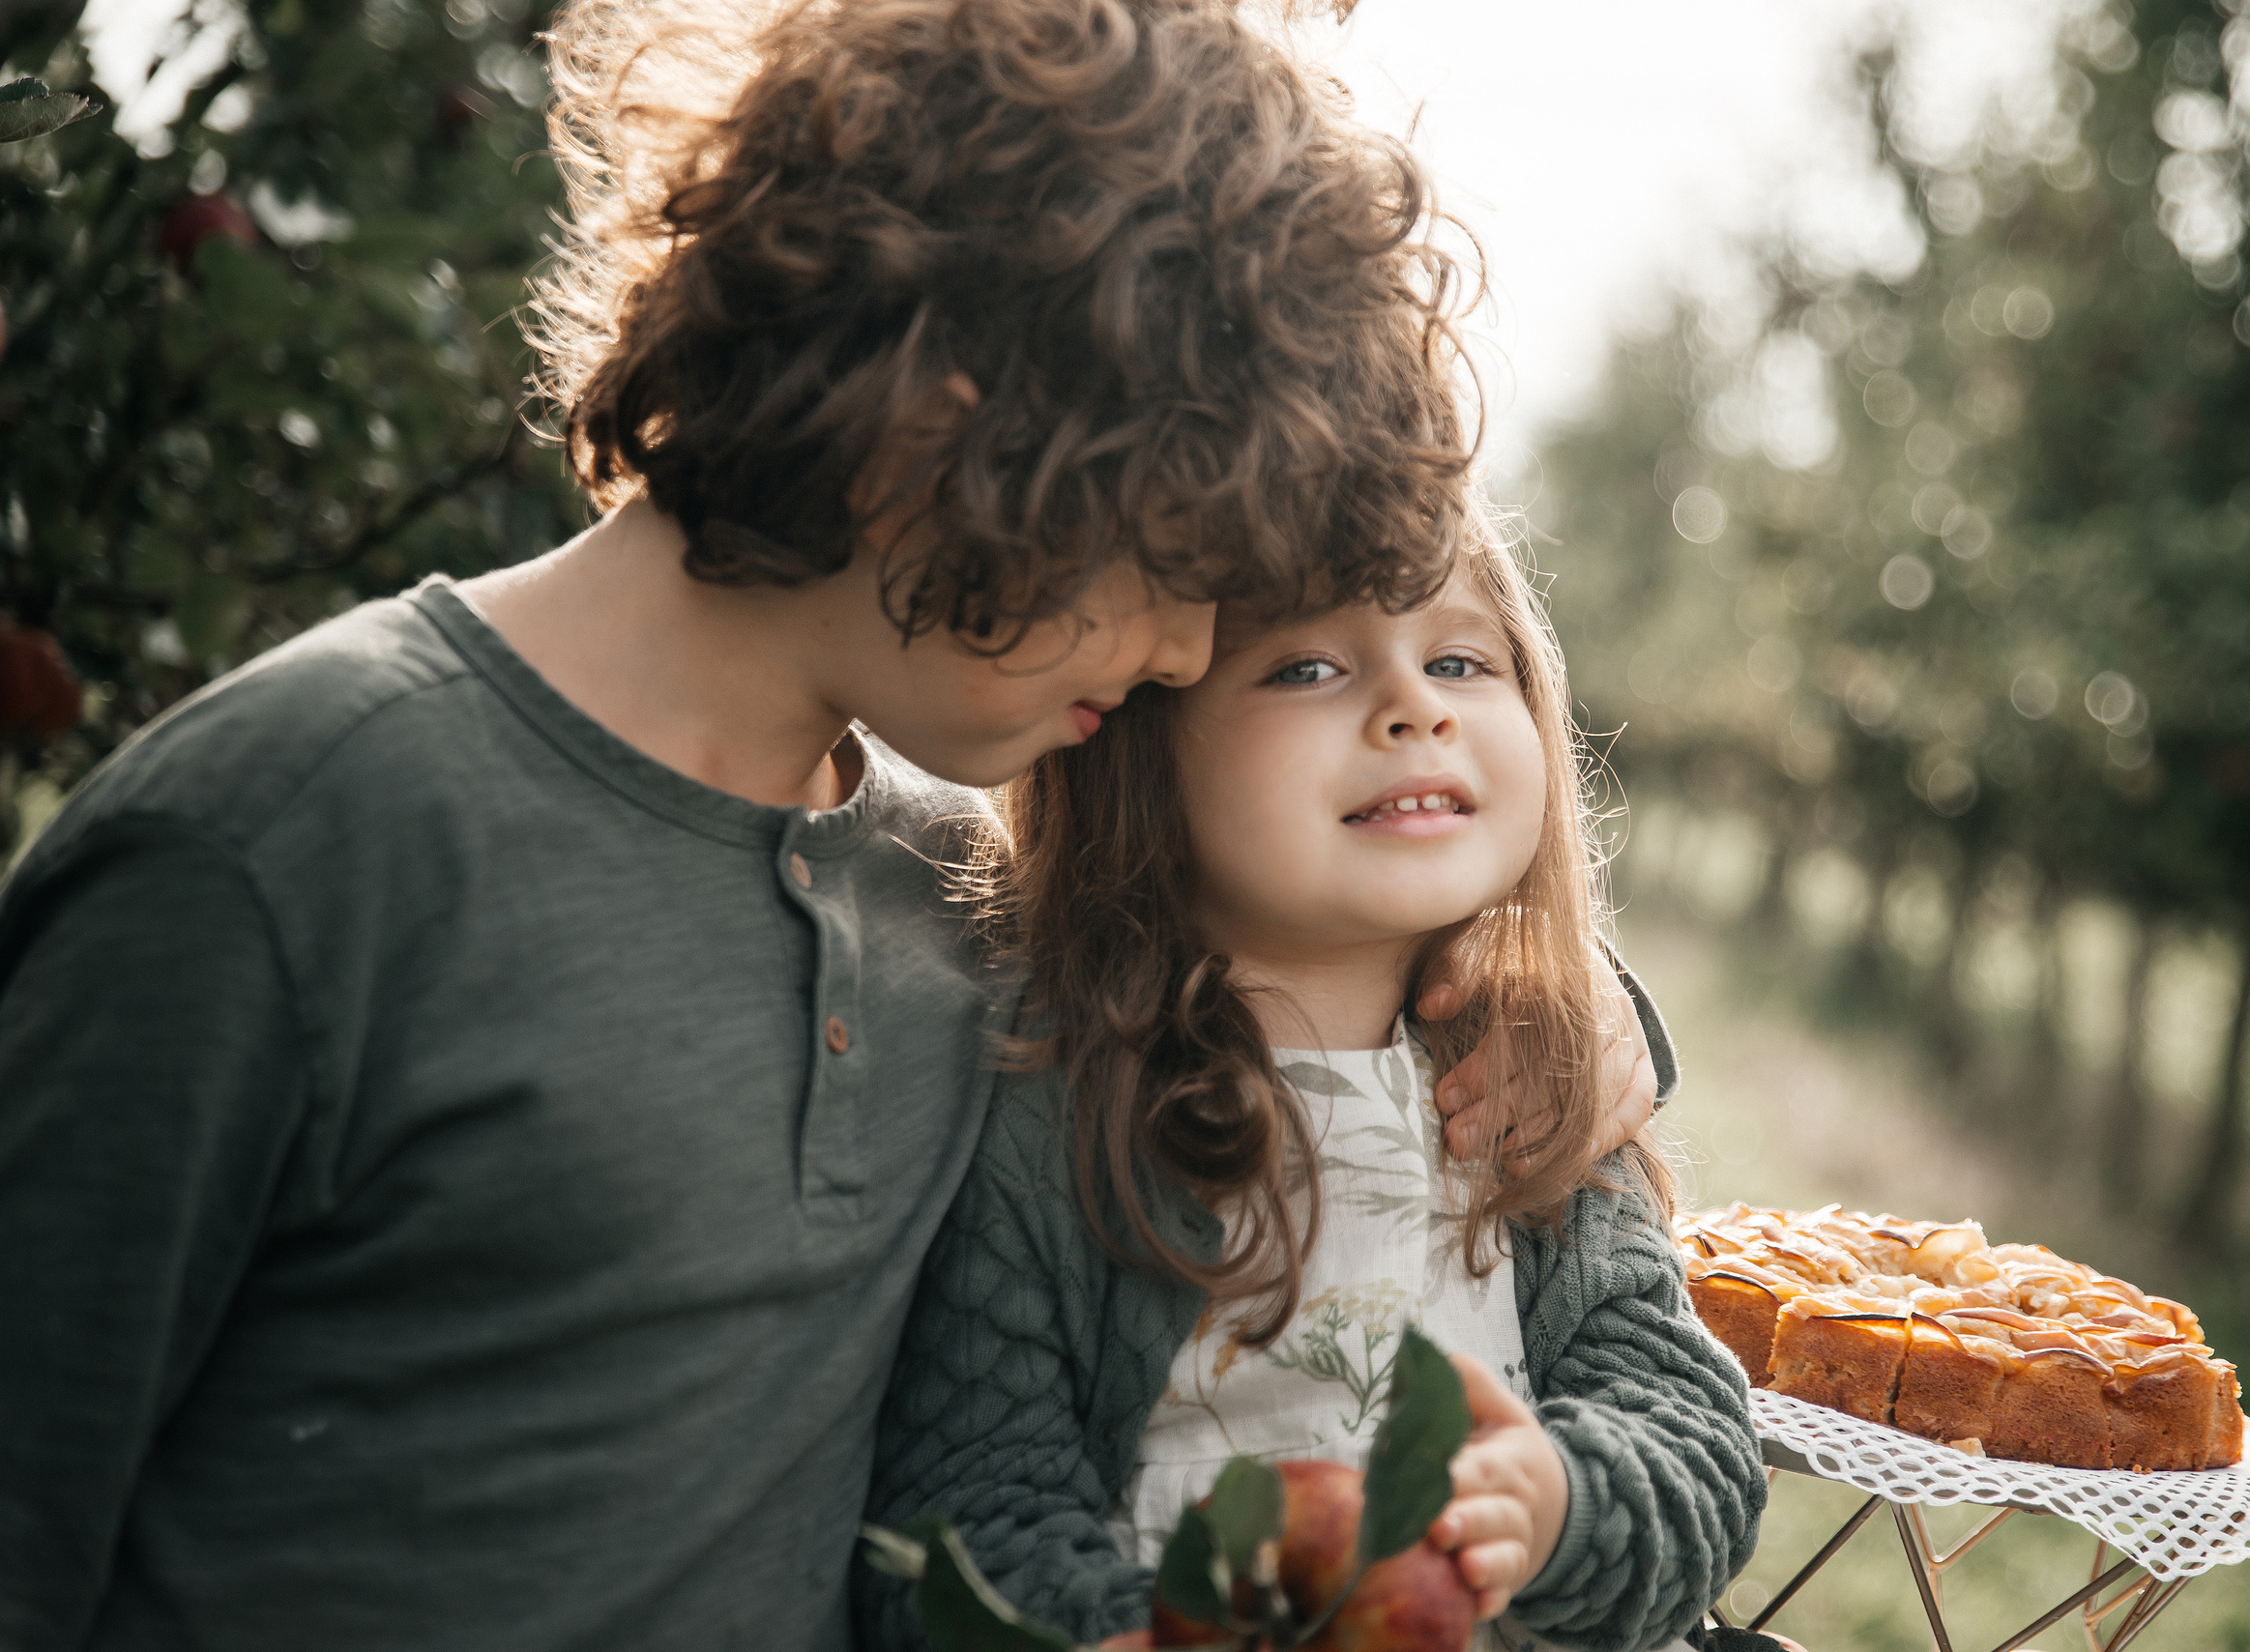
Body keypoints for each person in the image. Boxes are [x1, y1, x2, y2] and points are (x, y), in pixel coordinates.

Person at [0, 1, 1663, 1646]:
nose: (1180, 655)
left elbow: (1294, 990)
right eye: (1176, 564)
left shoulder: (955, 902)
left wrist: (1558, 1015)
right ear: (950, 428)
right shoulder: (287, 844)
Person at [856, 520, 1777, 1652]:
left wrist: (1560, 1504)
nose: (1413, 706)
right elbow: (969, 1508)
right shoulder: (1059, 1108)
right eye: (1305, 666)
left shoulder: (1528, 1085)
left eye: (1458, 660)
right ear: (1138, 746)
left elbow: (1699, 1443)